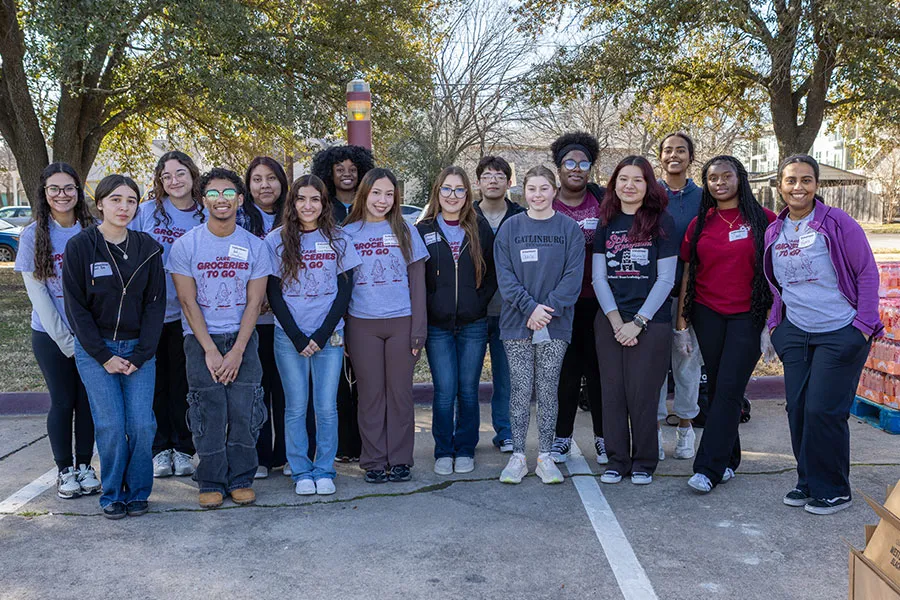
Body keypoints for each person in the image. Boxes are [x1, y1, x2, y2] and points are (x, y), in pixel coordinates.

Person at [765, 154, 881, 515]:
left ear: (817, 185)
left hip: (839, 330)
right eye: (790, 180)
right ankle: (808, 481)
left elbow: (866, 273)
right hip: (796, 331)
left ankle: (833, 488)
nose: (797, 187)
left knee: (823, 410)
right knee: (798, 408)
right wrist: (775, 328)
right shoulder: (775, 230)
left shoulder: (837, 222)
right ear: (780, 186)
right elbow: (773, 284)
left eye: (806, 180)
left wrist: (861, 327)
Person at [63, 174, 166, 519]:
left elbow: (155, 305)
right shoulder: (80, 246)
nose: (124, 207)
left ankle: (137, 491)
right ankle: (112, 494)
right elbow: (76, 308)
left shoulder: (148, 247)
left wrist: (140, 355)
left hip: (139, 349)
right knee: (109, 424)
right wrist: (104, 356)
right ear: (100, 204)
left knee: (140, 425)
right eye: (116, 199)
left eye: (131, 200)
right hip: (96, 351)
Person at [168, 168, 272, 508]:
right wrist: (211, 350)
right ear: (203, 200)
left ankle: (241, 477)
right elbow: (187, 300)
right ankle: (210, 479)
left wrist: (239, 350)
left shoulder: (255, 246)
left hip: (243, 338)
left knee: (245, 410)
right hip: (201, 340)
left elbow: (256, 302)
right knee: (207, 412)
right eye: (213, 193)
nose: (221, 200)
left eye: (228, 193)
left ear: (240, 200)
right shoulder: (186, 246)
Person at [676, 156, 776, 494]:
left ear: (740, 178)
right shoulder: (700, 223)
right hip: (707, 314)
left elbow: (777, 273)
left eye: (726, 175)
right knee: (720, 388)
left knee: (730, 389)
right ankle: (729, 459)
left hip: (748, 316)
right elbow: (689, 273)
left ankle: (708, 468)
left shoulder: (764, 219)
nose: (719, 182)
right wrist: (682, 323)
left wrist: (770, 322)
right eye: (712, 177)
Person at [266, 174, 362, 495]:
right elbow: (274, 292)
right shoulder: (276, 240)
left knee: (326, 406)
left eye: (315, 199)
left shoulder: (339, 239)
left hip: (329, 336)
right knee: (295, 406)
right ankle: (301, 470)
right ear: (292, 203)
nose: (308, 205)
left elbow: (345, 290)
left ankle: (324, 468)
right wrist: (296, 335)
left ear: (324, 204)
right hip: (289, 336)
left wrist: (322, 334)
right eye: (301, 199)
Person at [493, 166, 584, 485]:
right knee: (519, 389)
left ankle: (545, 456)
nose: (538, 195)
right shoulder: (510, 228)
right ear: (523, 192)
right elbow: (505, 277)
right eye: (532, 189)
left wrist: (547, 311)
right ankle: (518, 455)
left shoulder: (569, 229)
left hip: (554, 325)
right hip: (517, 324)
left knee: (548, 389)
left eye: (544, 188)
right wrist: (530, 308)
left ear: (554, 191)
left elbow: (573, 278)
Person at [15, 163, 99, 500]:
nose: (62, 195)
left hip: (91, 335)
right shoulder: (33, 235)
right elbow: (39, 296)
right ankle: (64, 470)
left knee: (88, 403)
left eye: (68, 188)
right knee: (63, 401)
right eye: (54, 189)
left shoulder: (93, 229)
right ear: (44, 193)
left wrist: (91, 338)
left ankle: (84, 466)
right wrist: (68, 342)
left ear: (78, 192)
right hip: (52, 337)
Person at [592, 156, 676, 485]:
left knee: (642, 394)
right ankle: (617, 460)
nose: (629, 185)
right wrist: (616, 322)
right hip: (611, 318)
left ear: (648, 185)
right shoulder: (606, 221)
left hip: (651, 322)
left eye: (638, 179)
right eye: (623, 179)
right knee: (612, 393)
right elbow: (599, 278)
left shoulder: (662, 222)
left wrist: (638, 322)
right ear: (614, 184)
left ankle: (644, 461)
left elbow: (666, 280)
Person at [343, 168, 429, 483]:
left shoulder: (407, 230)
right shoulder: (347, 233)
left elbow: (418, 284)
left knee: (400, 394)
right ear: (364, 193)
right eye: (376, 193)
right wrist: (345, 333)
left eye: (389, 194)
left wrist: (418, 329)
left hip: (402, 322)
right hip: (362, 324)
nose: (382, 200)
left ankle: (401, 459)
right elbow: (344, 288)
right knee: (370, 395)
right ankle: (375, 461)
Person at [416, 166, 497, 475]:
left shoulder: (479, 227)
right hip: (437, 326)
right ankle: (443, 449)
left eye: (459, 190)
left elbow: (492, 275)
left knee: (467, 389)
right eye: (446, 189)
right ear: (438, 192)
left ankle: (465, 447)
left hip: (473, 324)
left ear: (467, 195)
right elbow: (417, 279)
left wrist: (478, 303)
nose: (452, 195)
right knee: (445, 389)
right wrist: (430, 308)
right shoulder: (422, 229)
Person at [131, 150, 205, 480]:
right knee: (156, 385)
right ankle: (160, 449)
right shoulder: (147, 212)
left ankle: (185, 448)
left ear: (192, 175)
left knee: (183, 384)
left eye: (180, 173)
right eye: (166, 176)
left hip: (191, 315)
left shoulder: (205, 213)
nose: (174, 181)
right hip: (150, 315)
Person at [311, 145, 376, 462]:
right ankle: (343, 446)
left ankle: (368, 444)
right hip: (332, 304)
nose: (347, 172)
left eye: (353, 167)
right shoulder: (324, 209)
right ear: (329, 172)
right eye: (340, 168)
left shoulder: (371, 205)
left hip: (368, 302)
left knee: (364, 380)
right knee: (335, 383)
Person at [547, 132, 607, 466]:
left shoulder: (603, 201)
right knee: (566, 373)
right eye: (569, 162)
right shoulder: (547, 202)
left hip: (599, 301)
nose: (577, 168)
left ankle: (603, 437)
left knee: (598, 372)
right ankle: (561, 437)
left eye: (584, 163)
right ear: (558, 167)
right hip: (560, 303)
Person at [239, 156, 289, 479]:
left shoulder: (295, 216)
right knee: (255, 390)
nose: (265, 185)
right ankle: (258, 455)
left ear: (282, 183)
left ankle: (285, 454)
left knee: (285, 390)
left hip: (287, 322)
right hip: (251, 322)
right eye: (257, 179)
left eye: (271, 178)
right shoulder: (240, 220)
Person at [656, 133, 703, 460]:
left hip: (692, 296)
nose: (674, 155)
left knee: (686, 364)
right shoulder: (649, 193)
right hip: (654, 296)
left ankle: (685, 428)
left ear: (690, 157)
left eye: (681, 150)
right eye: (668, 150)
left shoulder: (703, 197)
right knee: (655, 367)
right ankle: (655, 430)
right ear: (660, 156)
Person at [474, 156, 523, 453]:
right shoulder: (466, 215)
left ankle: (505, 432)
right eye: (487, 175)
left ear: (508, 181)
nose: (493, 180)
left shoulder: (520, 217)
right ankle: (465, 435)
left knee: (507, 380)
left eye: (500, 175)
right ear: (478, 181)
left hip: (511, 313)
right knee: (466, 382)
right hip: (473, 313)